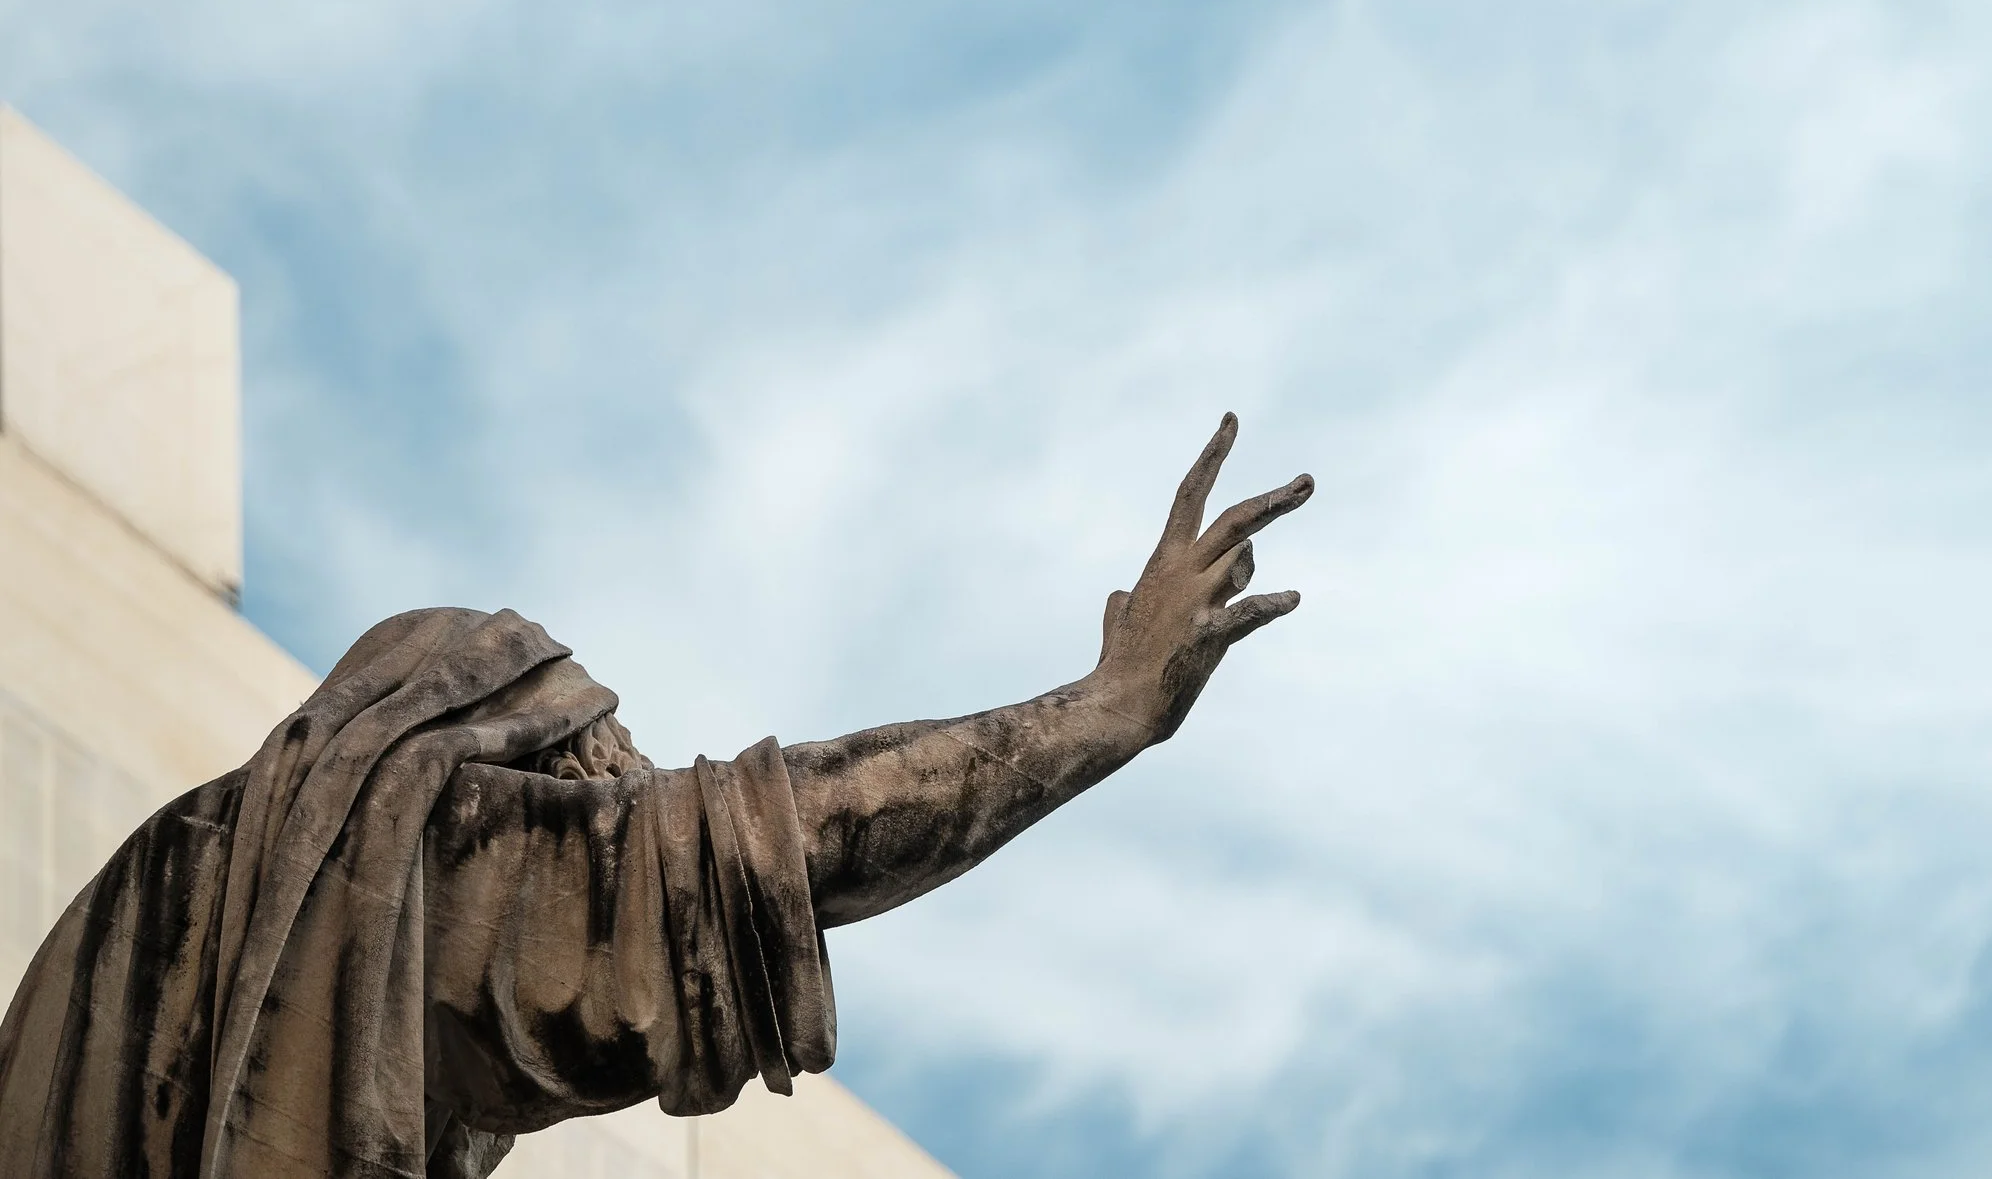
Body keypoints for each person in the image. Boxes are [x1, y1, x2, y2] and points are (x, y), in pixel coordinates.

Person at [0, 415, 1311, 1179]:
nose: (621, 798)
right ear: (490, 752)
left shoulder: (148, 906)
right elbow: (758, 847)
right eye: (603, 780)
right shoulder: (397, 849)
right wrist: (1096, 713)